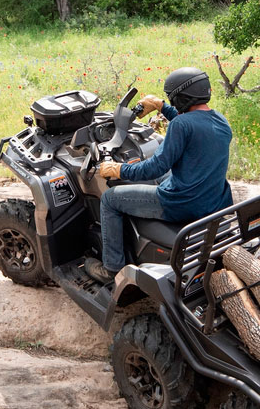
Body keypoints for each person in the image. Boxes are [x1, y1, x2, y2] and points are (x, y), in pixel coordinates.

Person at [84, 66, 234, 283]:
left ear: (181, 97)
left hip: (182, 202)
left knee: (109, 199)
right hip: (211, 198)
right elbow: (192, 125)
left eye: (172, 100)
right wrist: (161, 107)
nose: (172, 104)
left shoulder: (181, 125)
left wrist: (118, 169)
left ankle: (111, 268)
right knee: (160, 179)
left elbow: (155, 167)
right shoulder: (221, 120)